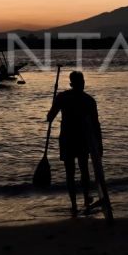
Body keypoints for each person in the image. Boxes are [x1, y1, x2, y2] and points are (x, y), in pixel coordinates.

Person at [46, 71, 103, 215]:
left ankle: (78, 203)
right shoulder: (88, 100)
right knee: (78, 171)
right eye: (80, 82)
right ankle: (81, 201)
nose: (82, 85)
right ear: (74, 84)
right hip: (76, 139)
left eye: (82, 82)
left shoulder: (63, 97)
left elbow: (50, 117)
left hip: (72, 139)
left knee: (75, 172)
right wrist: (99, 144)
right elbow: (96, 125)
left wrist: (99, 144)